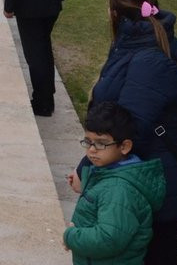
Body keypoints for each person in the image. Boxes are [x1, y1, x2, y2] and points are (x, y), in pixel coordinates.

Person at [88, 0, 177, 264]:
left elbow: (129, 131)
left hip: (152, 183)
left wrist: (87, 168)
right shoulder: (141, 43)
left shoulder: (147, 57)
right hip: (149, 178)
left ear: (114, 11)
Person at [63, 101, 165, 265]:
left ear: (124, 146)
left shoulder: (119, 189)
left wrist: (70, 236)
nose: (91, 149)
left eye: (101, 143)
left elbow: (109, 239)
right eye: (88, 141)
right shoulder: (107, 174)